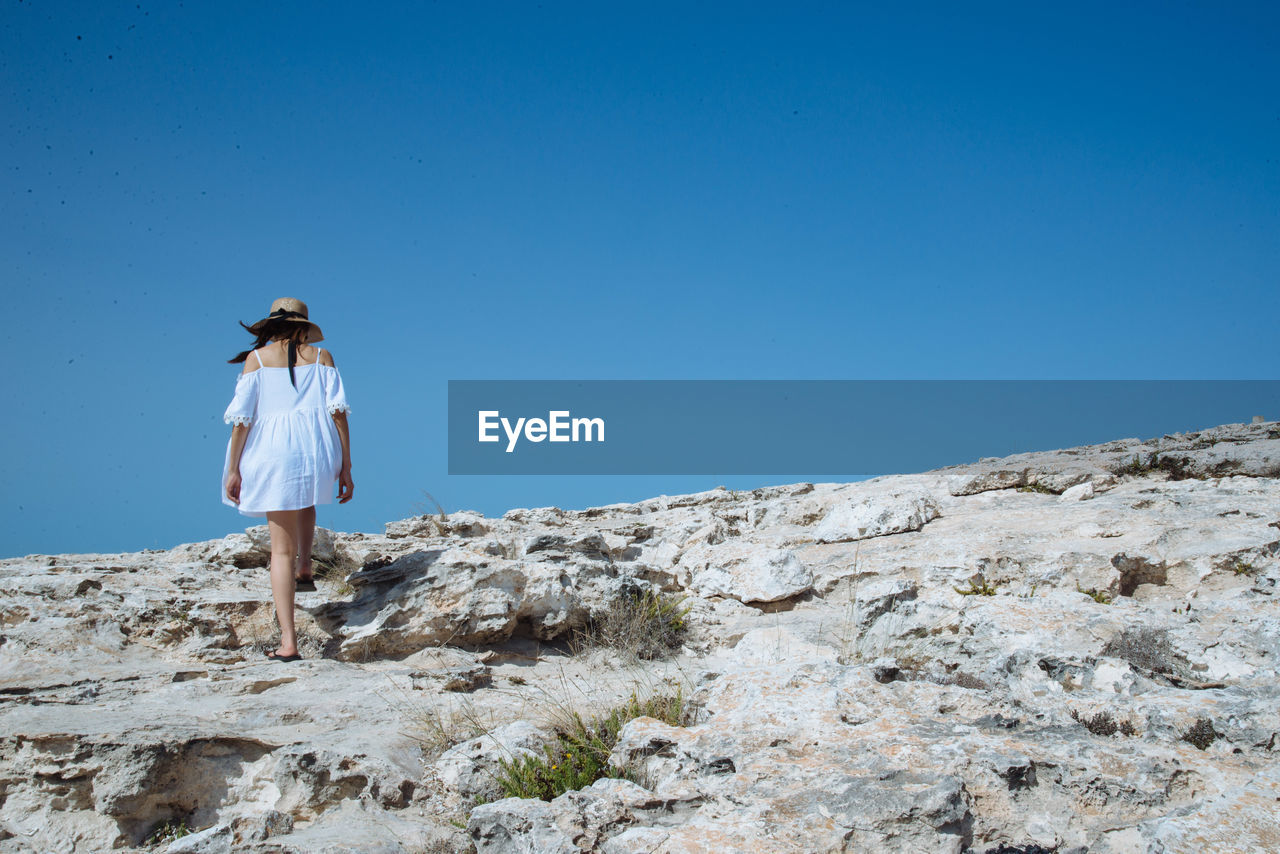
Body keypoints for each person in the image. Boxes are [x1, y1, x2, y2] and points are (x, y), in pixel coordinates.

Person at [221, 297, 354, 662]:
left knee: (279, 549)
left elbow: (242, 420)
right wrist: (346, 465)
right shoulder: (322, 358)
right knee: (306, 496)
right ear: (302, 326)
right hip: (316, 447)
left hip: (272, 450)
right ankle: (306, 566)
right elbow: (338, 414)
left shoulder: (257, 360)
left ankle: (289, 644)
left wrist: (234, 468)